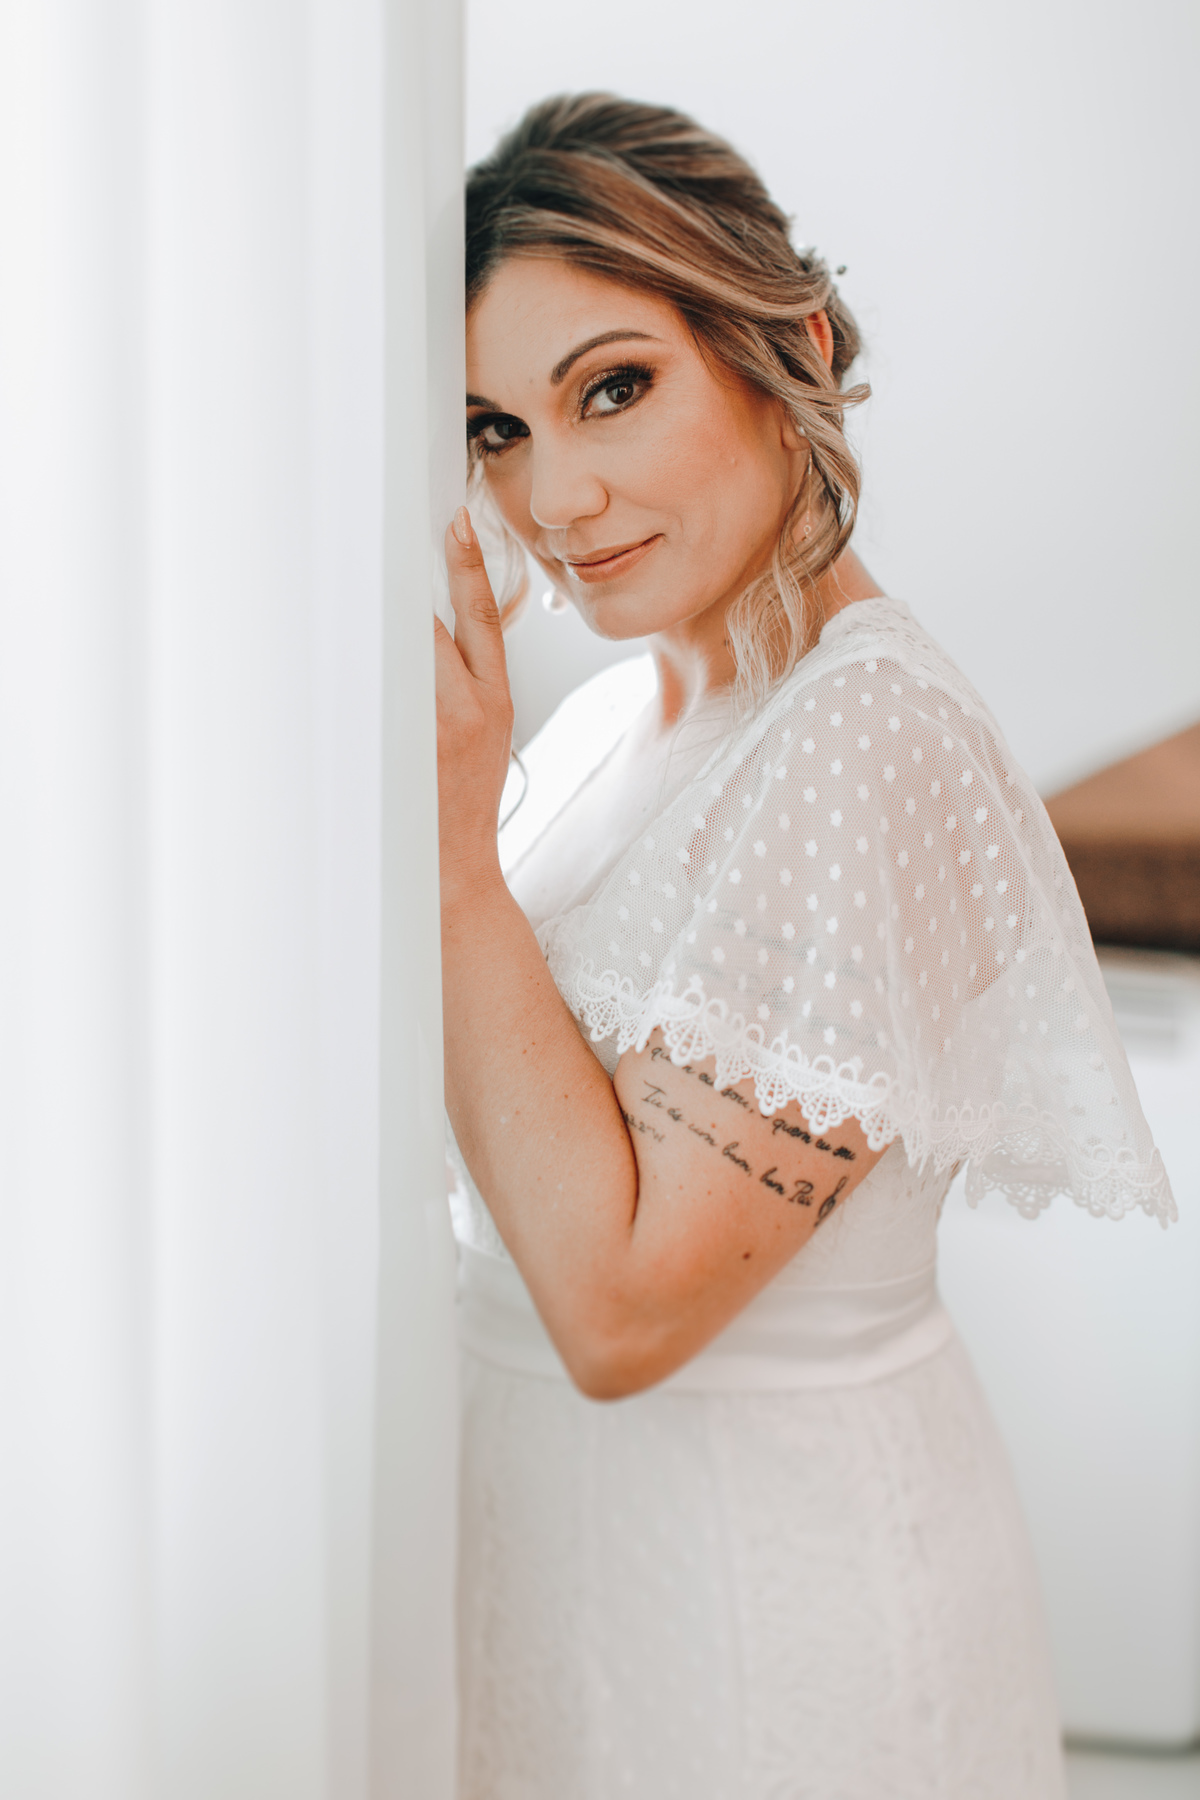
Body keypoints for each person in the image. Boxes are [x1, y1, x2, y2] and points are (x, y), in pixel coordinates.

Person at [435, 93, 1173, 1800]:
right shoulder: (614, 719)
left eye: (613, 388)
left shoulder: (862, 738)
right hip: (569, 1590)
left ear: (792, 350)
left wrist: (453, 860)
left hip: (760, 1631)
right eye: (495, 429)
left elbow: (623, 1312)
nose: (554, 494)